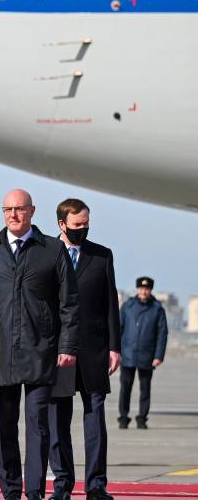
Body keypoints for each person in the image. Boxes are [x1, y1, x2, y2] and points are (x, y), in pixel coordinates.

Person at [0, 189, 79, 500]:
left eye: (19, 209)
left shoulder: (53, 250)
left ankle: (35, 490)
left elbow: (69, 303)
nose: (13, 215)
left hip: (42, 351)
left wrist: (67, 346)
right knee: (5, 428)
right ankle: (11, 491)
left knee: (38, 425)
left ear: (32, 211)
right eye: (7, 209)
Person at [44, 198, 120, 500]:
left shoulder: (102, 256)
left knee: (95, 419)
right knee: (57, 421)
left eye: (86, 224)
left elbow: (110, 304)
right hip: (58, 351)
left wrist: (115, 346)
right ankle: (62, 485)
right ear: (62, 224)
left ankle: (96, 485)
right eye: (77, 225)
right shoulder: (46, 253)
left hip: (95, 350)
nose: (83, 229)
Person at [118, 276, 168, 431]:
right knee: (125, 388)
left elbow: (162, 333)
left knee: (145, 389)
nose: (144, 291)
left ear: (150, 290)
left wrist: (159, 355)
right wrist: (115, 351)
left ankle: (142, 418)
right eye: (141, 288)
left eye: (146, 289)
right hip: (127, 355)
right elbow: (118, 329)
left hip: (147, 356)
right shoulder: (127, 306)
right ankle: (124, 418)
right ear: (137, 289)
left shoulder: (157, 308)